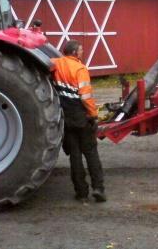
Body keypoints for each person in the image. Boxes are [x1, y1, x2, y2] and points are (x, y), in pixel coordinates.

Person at [52, 40, 106, 203]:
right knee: (90, 153)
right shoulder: (80, 69)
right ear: (75, 52)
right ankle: (98, 188)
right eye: (81, 50)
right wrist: (93, 114)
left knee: (74, 156)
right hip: (81, 116)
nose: (83, 53)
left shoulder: (56, 64)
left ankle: (81, 192)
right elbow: (85, 96)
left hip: (65, 117)